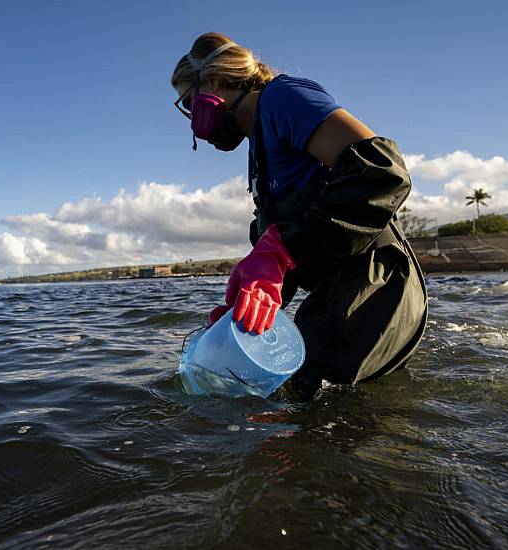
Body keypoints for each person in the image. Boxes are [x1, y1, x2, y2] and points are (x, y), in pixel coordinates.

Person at [171, 33, 428, 398]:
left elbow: (381, 170)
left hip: (375, 284)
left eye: (189, 103)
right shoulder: (259, 150)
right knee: (299, 401)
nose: (191, 119)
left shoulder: (283, 99)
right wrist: (247, 306)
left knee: (319, 414)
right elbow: (299, 241)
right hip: (336, 290)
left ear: (212, 81)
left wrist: (278, 251)